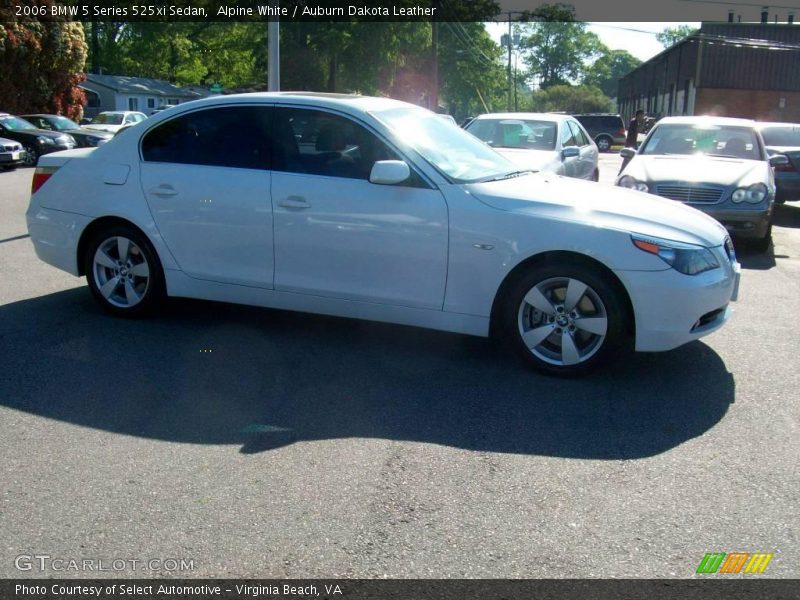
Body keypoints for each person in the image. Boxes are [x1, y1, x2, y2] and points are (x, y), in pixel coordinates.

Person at [619, 109, 645, 174]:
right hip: (631, 143)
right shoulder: (634, 122)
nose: (642, 117)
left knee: (630, 159)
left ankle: (623, 172)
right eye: (642, 115)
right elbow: (639, 130)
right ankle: (621, 172)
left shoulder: (634, 121)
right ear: (639, 115)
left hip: (633, 143)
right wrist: (643, 123)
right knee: (627, 159)